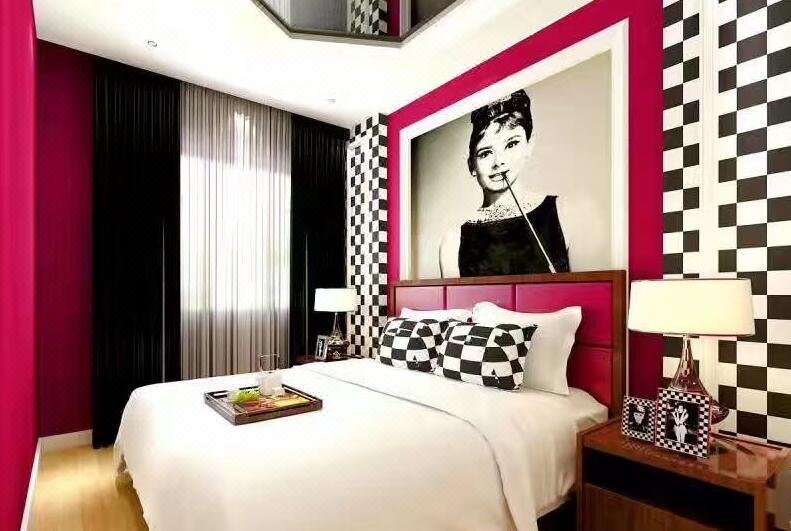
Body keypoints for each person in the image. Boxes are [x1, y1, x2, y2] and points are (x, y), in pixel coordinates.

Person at [439, 89, 571, 277]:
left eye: (511, 144)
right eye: (485, 153)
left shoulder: (563, 212)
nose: (499, 162)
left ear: (529, 145)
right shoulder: (453, 241)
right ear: (471, 165)